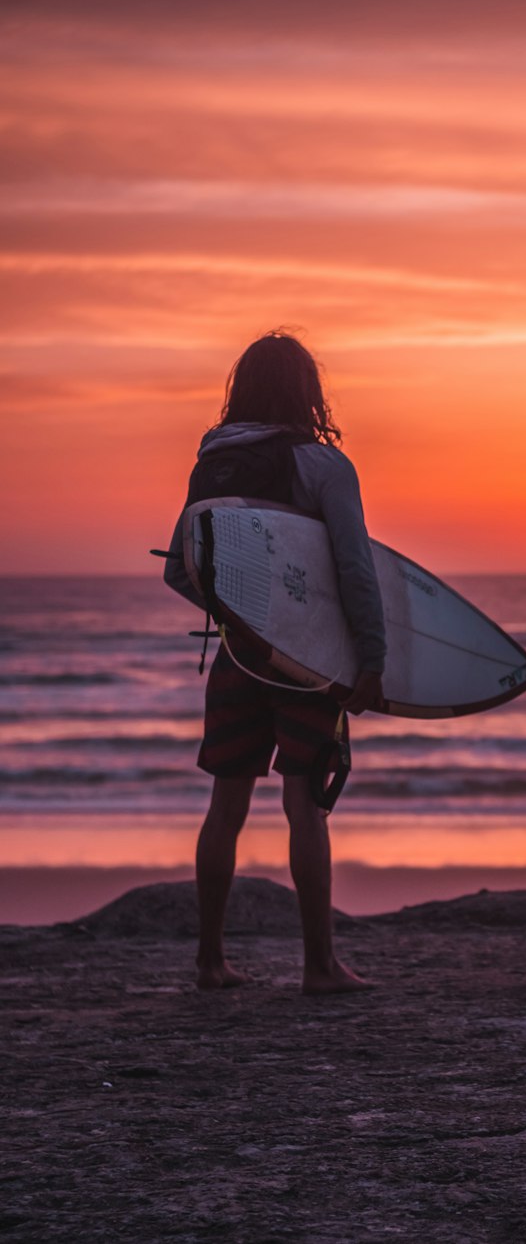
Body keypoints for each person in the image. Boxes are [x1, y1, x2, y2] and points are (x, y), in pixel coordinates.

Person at [163, 332, 386, 994]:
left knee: (225, 804)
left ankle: (210, 962)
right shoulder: (323, 465)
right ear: (307, 392)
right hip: (304, 663)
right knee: (304, 805)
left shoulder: (211, 462)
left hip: (237, 655)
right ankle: (319, 966)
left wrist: (238, 615)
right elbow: (354, 566)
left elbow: (181, 570)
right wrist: (369, 657)